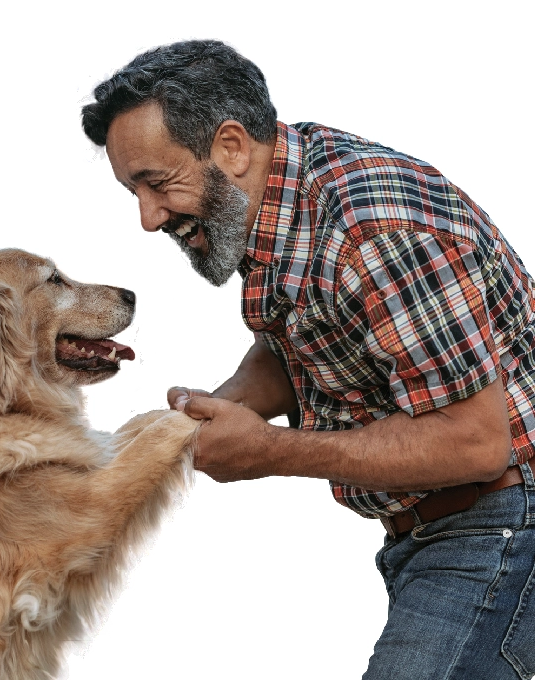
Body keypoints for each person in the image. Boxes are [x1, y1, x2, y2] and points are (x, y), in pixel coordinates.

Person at [81, 39, 535, 679]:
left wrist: (270, 452)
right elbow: (300, 340)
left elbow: (476, 442)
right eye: (133, 190)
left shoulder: (371, 227)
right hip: (443, 530)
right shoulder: (280, 198)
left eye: (157, 183)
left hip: (505, 521)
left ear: (232, 146)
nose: (149, 218)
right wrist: (206, 417)